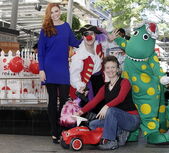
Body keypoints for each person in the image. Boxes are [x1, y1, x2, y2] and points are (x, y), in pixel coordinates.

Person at [75, 56, 140, 150]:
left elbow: (120, 98)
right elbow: (94, 102)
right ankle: (120, 133)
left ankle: (111, 141)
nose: (111, 70)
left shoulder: (125, 82)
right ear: (104, 70)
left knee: (111, 111)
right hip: (117, 120)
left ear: (118, 69)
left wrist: (106, 106)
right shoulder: (105, 88)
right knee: (93, 124)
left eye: (113, 67)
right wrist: (79, 112)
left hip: (131, 120)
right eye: (108, 68)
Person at [38, 3, 81, 144]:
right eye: (52, 12)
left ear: (60, 11)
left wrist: (89, 38)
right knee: (52, 102)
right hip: (49, 69)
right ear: (48, 14)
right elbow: (41, 52)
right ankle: (54, 131)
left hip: (63, 69)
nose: (55, 14)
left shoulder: (66, 26)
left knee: (63, 100)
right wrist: (41, 69)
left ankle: (63, 129)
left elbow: (74, 42)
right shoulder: (45, 29)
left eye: (56, 11)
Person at [70, 25, 118, 113]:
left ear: (95, 35)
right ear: (83, 37)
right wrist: (79, 86)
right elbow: (74, 74)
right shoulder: (79, 55)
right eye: (86, 34)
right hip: (86, 84)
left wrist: (110, 39)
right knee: (87, 109)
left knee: (102, 105)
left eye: (91, 33)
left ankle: (100, 125)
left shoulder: (98, 45)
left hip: (99, 80)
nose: (89, 36)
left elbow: (110, 46)